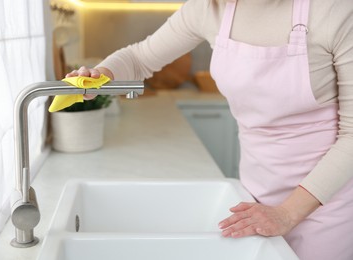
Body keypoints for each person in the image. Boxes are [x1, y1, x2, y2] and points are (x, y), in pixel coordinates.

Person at [66, 0, 353, 259]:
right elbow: (139, 58)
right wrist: (103, 75)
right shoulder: (208, 9)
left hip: (324, 204)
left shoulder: (334, 10)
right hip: (253, 193)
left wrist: (288, 213)